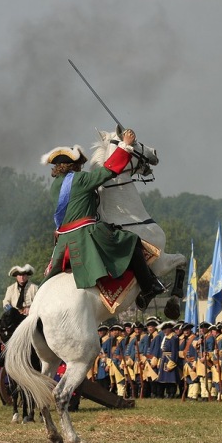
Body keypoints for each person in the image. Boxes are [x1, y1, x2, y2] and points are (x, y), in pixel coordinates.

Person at [41, 129, 165, 311]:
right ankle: (148, 287)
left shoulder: (55, 186)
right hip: (85, 235)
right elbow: (109, 171)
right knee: (131, 240)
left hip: (64, 241)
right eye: (78, 164)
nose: (81, 167)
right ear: (72, 165)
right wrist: (126, 145)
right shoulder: (80, 179)